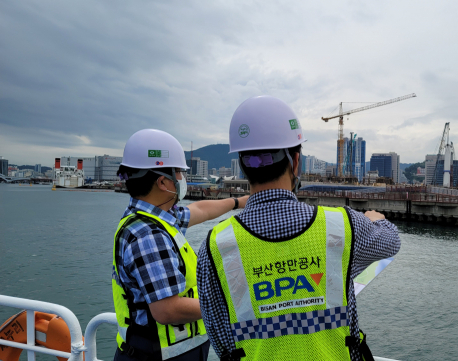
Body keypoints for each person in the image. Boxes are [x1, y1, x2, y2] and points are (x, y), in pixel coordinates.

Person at [196, 96, 401, 360]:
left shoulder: (215, 247)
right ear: (295, 161)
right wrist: (375, 220)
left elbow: (220, 338)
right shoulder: (341, 226)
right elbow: (391, 241)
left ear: (244, 165)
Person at [112, 129, 249, 361]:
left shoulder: (159, 217)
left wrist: (239, 202)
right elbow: (167, 310)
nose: (181, 178)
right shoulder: (148, 234)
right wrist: (229, 304)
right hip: (156, 356)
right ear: (163, 182)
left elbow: (200, 210)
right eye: (178, 172)